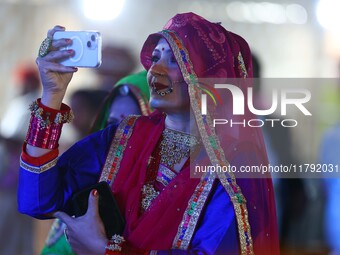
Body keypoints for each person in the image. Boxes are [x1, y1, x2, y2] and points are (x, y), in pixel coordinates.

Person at [18, 13, 279, 254]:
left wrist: (103, 250)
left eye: (175, 60)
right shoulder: (124, 136)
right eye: (155, 58)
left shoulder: (235, 161)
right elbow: (39, 201)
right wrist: (52, 96)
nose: (156, 70)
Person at [41, 70, 151, 255]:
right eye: (112, 123)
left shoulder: (157, 199)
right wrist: (52, 96)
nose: (120, 134)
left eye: (133, 126)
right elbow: (37, 203)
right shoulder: (88, 171)